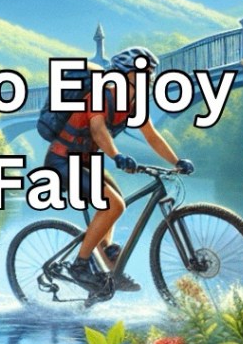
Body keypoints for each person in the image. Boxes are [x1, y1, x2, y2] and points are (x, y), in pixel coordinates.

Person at [43, 46, 194, 293]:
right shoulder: (103, 94)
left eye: (151, 72)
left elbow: (151, 135)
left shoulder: (134, 101)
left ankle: (106, 261)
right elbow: (97, 129)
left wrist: (176, 161)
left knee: (115, 203)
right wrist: (117, 155)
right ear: (125, 73)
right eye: (143, 72)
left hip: (85, 160)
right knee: (114, 204)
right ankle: (80, 265)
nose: (149, 77)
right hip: (62, 161)